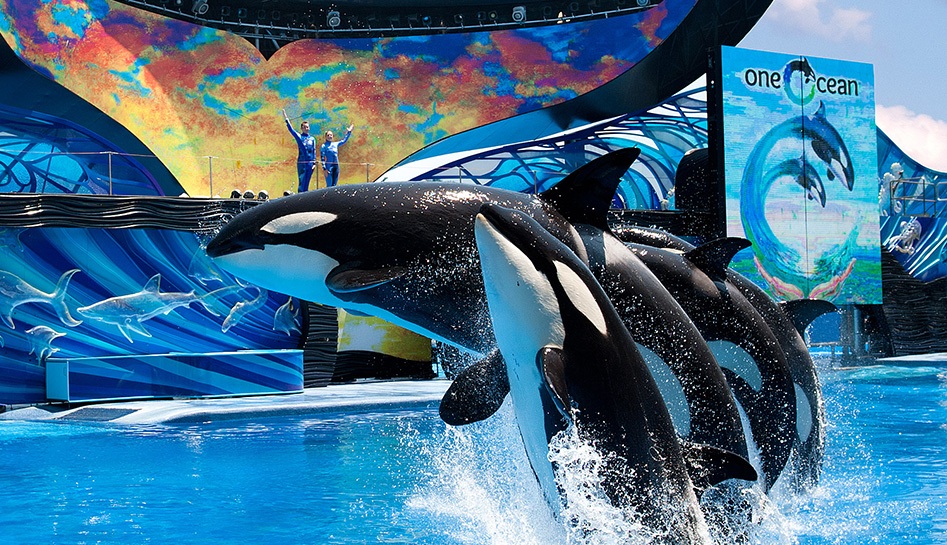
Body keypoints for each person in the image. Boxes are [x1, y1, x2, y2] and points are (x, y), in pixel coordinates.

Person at [282, 109, 316, 192]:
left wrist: (314, 163)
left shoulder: (312, 139)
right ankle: (299, 197)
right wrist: (286, 119)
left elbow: (314, 151)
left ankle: (305, 198)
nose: (306, 128)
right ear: (301, 128)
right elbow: (291, 130)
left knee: (307, 182)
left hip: (310, 163)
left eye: (307, 127)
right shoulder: (299, 137)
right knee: (302, 181)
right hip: (302, 162)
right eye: (304, 127)